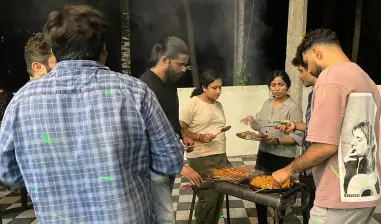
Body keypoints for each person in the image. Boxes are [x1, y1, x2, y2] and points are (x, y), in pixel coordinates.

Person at [0, 5, 184, 224]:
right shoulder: (134, 92)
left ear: (54, 50)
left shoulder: (21, 101)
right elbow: (171, 160)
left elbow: (9, 174)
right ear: (103, 48)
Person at [271, 29, 381, 224]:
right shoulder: (365, 78)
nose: (309, 68)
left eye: (307, 62)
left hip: (338, 196)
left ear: (317, 52)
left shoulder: (330, 77)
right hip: (368, 189)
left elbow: (325, 145)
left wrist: (287, 171)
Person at [140, 36, 202, 224]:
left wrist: (183, 136)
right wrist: (179, 165)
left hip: (168, 163)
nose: (184, 69)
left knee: (162, 214)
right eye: (180, 64)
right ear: (165, 60)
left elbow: (169, 120)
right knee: (165, 217)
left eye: (186, 65)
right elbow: (148, 134)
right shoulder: (145, 87)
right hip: (154, 166)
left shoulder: (169, 84)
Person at [241, 70, 303, 224]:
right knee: (258, 187)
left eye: (281, 84)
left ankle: (279, 220)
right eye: (273, 85)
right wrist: (252, 120)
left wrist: (276, 140)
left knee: (279, 191)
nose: (277, 88)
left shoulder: (293, 108)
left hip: (282, 157)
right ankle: (262, 221)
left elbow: (296, 138)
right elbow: (260, 125)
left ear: (287, 85)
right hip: (264, 153)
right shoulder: (267, 103)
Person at [274, 43, 317, 224]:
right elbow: (313, 127)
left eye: (301, 70)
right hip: (306, 168)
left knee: (316, 211)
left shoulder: (325, 94)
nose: (300, 76)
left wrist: (289, 170)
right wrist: (295, 125)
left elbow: (326, 139)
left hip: (317, 167)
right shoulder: (313, 94)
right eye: (273, 85)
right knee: (308, 210)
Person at [179, 69, 227, 224]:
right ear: (204, 87)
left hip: (220, 155)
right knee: (208, 197)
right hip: (200, 157)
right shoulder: (193, 104)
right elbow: (181, 128)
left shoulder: (218, 105)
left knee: (220, 193)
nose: (218, 91)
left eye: (220, 87)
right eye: (214, 87)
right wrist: (199, 137)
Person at [343, 121, 379, 196]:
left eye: (359, 139)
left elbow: (352, 194)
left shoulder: (369, 165)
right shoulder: (363, 161)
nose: (353, 143)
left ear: (370, 143)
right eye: (354, 138)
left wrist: (350, 169)